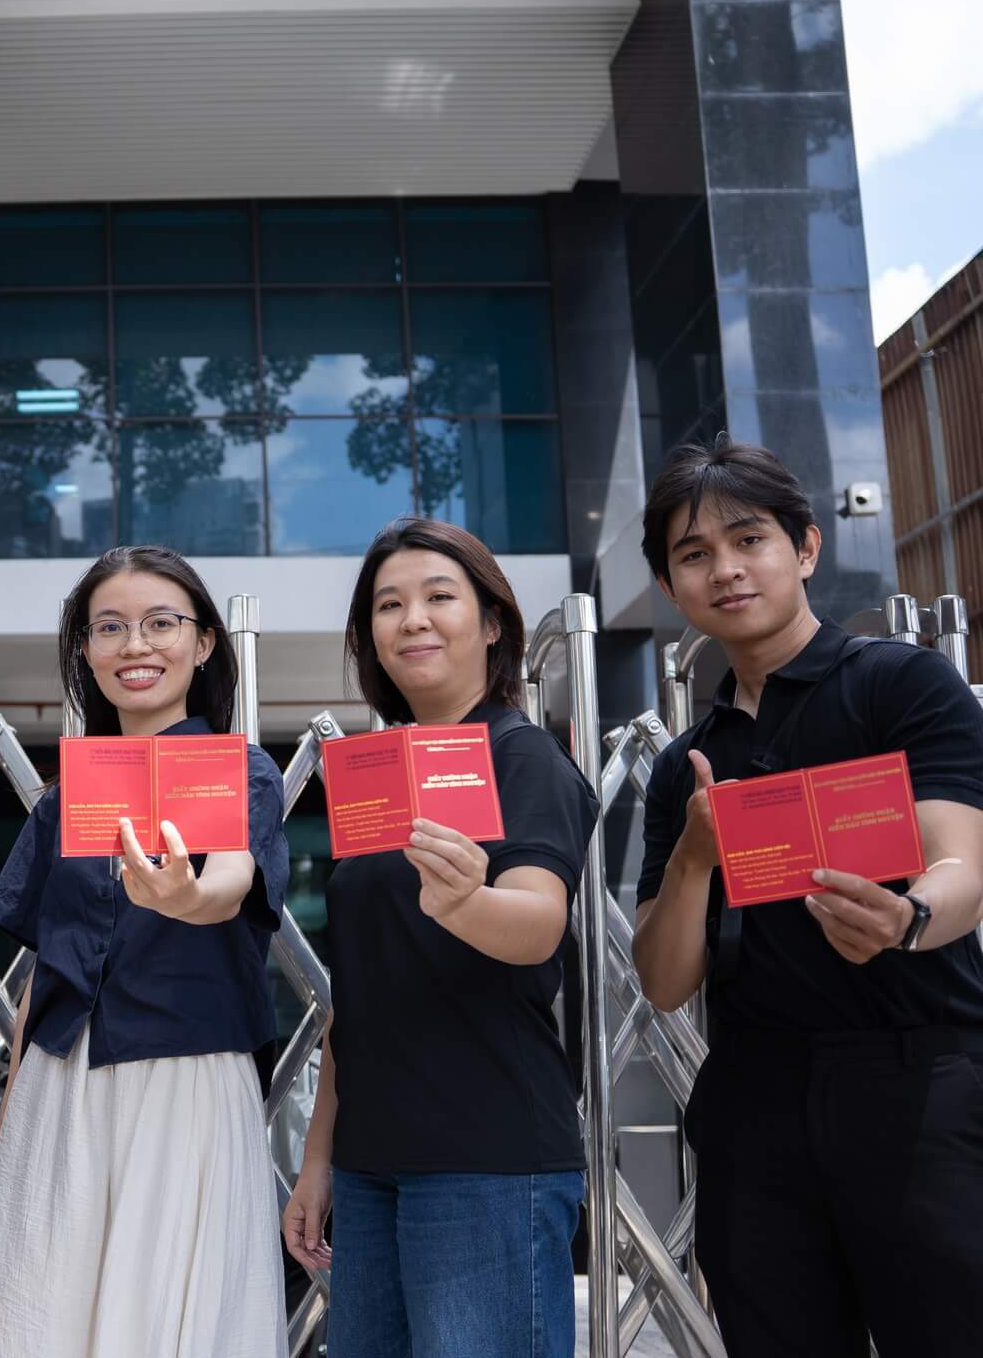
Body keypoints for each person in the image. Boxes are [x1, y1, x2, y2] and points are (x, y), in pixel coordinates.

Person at [630, 437, 983, 1357]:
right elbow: (662, 981)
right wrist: (694, 858)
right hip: (755, 1100)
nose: (726, 569)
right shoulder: (684, 766)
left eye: (749, 539)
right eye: (694, 554)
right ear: (670, 587)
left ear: (807, 547)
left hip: (917, 1082)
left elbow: (963, 865)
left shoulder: (901, 683)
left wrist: (907, 919)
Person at [280, 518, 595, 1358]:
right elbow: (359, 992)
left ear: (491, 623)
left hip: (487, 1158)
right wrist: (320, 1157)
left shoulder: (524, 756)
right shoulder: (378, 772)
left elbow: (538, 924)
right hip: (371, 1163)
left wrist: (463, 902)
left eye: (438, 596)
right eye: (388, 605)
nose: (412, 618)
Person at [0, 544, 289, 1358]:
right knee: (42, 1316)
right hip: (61, 1086)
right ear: (85, 649)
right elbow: (46, 972)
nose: (134, 644)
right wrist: (9, 1134)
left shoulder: (241, 770)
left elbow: (230, 882)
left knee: (173, 1316)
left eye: (160, 623)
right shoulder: (64, 798)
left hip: (185, 1080)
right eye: (108, 627)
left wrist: (185, 896)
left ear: (204, 641)